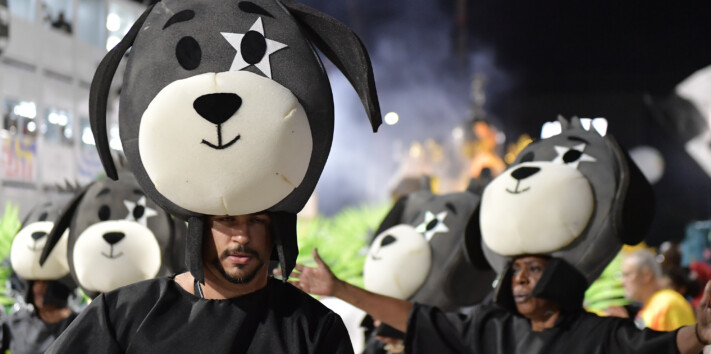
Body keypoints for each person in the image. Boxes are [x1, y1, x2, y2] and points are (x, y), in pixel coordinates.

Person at [289, 249, 711, 353]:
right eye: (515, 269)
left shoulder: (594, 334)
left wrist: (699, 333)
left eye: (533, 268)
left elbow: (656, 348)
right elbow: (417, 319)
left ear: (560, 277)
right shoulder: (492, 328)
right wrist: (340, 289)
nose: (521, 278)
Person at [47, 212, 354, 353]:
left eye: (257, 221)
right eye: (227, 219)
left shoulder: (314, 328)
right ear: (201, 228)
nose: (242, 236)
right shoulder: (121, 314)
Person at [621, 249, 697, 331]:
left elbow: (685, 342)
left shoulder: (668, 302)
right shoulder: (650, 306)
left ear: (646, 274)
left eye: (627, 275)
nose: (622, 282)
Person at [0, 280, 78, 354]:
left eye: (46, 282)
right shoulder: (16, 322)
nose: (39, 287)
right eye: (36, 282)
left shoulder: (78, 325)